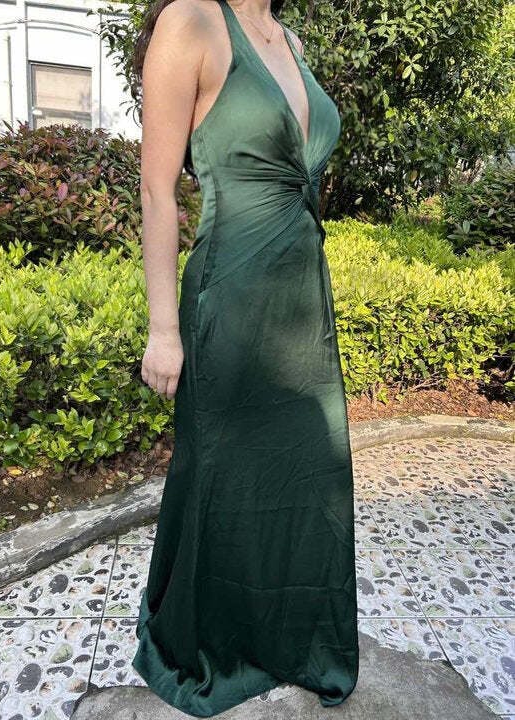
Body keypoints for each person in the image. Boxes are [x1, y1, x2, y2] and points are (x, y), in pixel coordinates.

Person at [131, 0, 359, 716]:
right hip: (227, 297)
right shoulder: (193, 21)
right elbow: (157, 189)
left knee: (302, 476)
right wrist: (163, 329)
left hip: (301, 300)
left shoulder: (288, 39)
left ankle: (286, 637)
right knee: (222, 479)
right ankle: (210, 644)